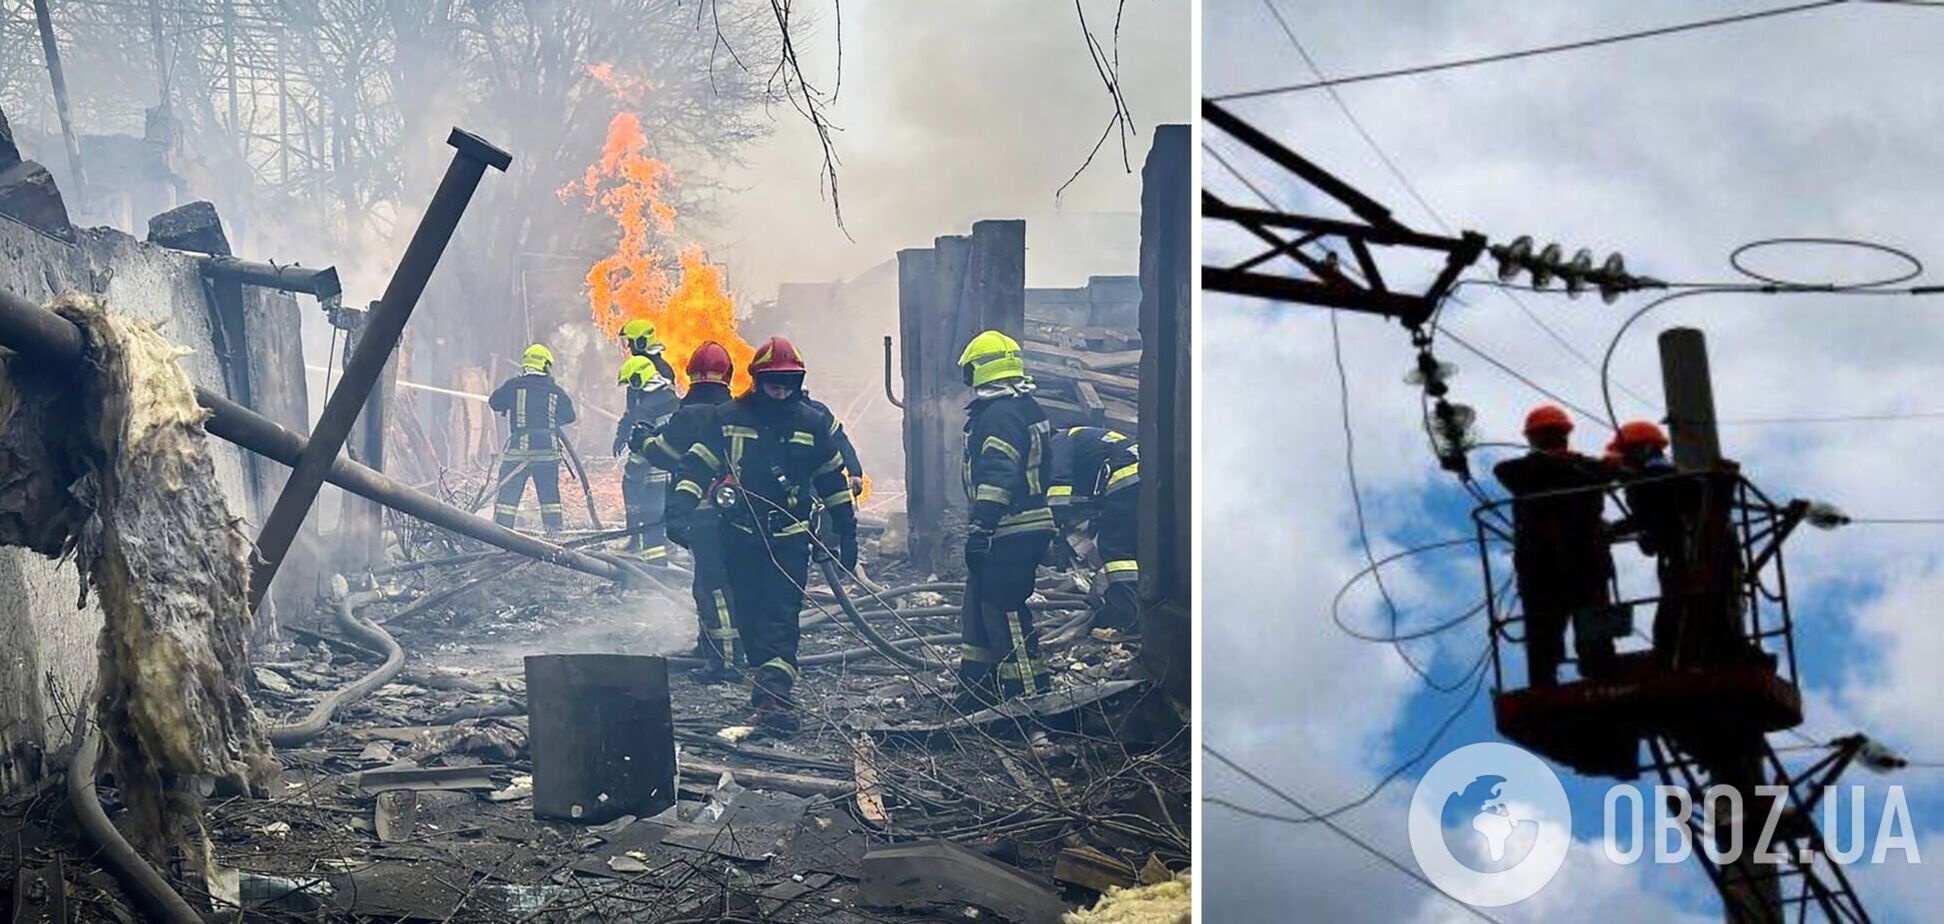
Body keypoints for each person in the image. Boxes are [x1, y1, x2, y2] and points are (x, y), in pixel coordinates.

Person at [667, 336, 857, 732]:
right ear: (756, 379)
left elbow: (830, 478)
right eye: (774, 382)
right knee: (749, 617)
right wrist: (679, 508)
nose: (781, 390)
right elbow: (698, 464)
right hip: (737, 537)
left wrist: (846, 527)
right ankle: (765, 687)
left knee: (780, 618)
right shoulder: (730, 417)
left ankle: (775, 697)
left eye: (789, 383)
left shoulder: (811, 422)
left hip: (789, 539)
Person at [957, 329, 1057, 706]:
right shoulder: (1020, 408)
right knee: (980, 605)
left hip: (1012, 527)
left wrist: (982, 526)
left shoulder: (999, 415)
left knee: (1005, 607)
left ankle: (1029, 696)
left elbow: (999, 475)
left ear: (979, 370)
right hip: (1014, 527)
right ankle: (977, 689)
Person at [1491, 404, 1619, 687]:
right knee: (1592, 628)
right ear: (1565, 435)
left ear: (1531, 438)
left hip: (1542, 567)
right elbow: (1615, 471)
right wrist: (1574, 462)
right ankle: (1601, 672)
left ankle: (1545, 680)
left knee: (1543, 634)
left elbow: (1502, 470)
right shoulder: (1587, 468)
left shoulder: (1524, 472)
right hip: (1586, 564)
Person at [638, 341, 740, 683]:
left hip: (700, 511)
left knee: (713, 587)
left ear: (691, 374)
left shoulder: (689, 414)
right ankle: (708, 647)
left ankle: (725, 663)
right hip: (735, 513)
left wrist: (643, 441)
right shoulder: (737, 411)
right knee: (715, 583)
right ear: (728, 374)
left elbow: (666, 453)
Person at [1048, 426, 1141, 633]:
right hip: (1147, 475)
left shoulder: (1057, 442)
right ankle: (1143, 605)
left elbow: (1058, 487)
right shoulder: (1086, 436)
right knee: (1139, 546)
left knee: (1116, 551)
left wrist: (1056, 528)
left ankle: (1126, 615)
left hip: (1124, 478)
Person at [488, 344, 576, 532]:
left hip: (519, 451)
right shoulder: (555, 391)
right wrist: (551, 422)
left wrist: (510, 404)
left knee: (508, 498)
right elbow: (570, 416)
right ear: (545, 366)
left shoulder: (513, 386)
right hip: (547, 453)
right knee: (549, 497)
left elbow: (494, 402)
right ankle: (554, 537)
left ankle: (500, 535)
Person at [615, 356, 679, 561]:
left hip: (654, 470)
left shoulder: (647, 407)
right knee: (665, 515)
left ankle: (654, 563)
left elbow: (643, 447)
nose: (632, 388)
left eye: (632, 382)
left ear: (640, 378)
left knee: (650, 515)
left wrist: (632, 471)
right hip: (675, 468)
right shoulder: (670, 396)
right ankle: (668, 546)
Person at [802, 389, 866, 497]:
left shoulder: (818, 411)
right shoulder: (770, 414)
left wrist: (855, 472)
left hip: (826, 479)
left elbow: (839, 440)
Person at [619, 318, 677, 383]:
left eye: (631, 341)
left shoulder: (658, 371)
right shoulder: (644, 367)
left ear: (641, 342)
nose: (628, 346)